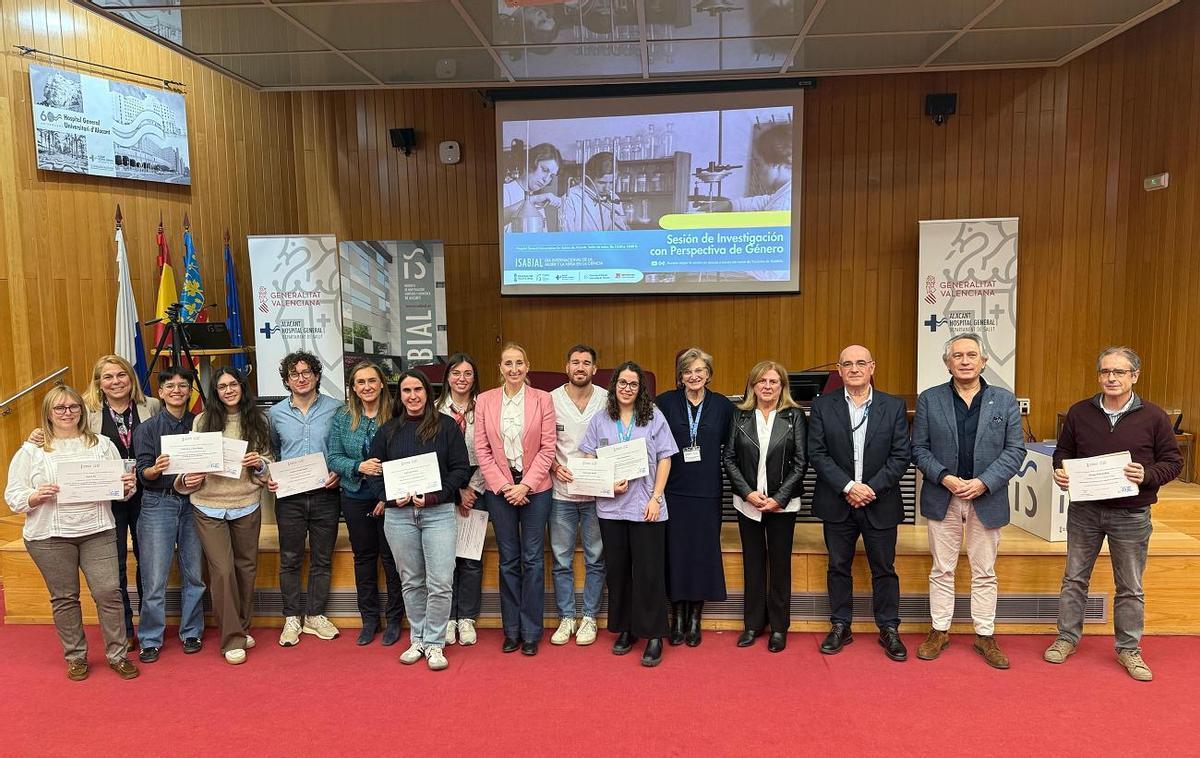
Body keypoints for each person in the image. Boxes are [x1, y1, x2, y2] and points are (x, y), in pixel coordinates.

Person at [1046, 347, 1182, 681]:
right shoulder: (1079, 412)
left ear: (1134, 376)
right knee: (1075, 578)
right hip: (1084, 511)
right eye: (1106, 371)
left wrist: (1146, 475)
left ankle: (1128, 649)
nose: (1111, 378)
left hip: (1131, 514)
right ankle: (1066, 638)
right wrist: (1060, 470)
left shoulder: (1154, 416)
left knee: (1130, 586)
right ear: (1098, 375)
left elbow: (1173, 462)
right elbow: (1063, 453)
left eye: (1119, 372)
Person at [24, 354, 160, 648]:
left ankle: (150, 630)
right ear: (98, 383)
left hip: (147, 493)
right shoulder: (85, 409)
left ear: (130, 377)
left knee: (148, 563)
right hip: (103, 501)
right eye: (107, 377)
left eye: (121, 375)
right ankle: (124, 631)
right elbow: (61, 430)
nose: (116, 381)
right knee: (115, 571)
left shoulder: (151, 406)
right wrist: (37, 434)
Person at [5, 386, 139, 681]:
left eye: (73, 407)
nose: (67, 413)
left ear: (82, 410)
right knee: (65, 597)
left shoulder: (102, 445)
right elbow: (13, 496)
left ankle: (117, 655)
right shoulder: (32, 450)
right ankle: (76, 656)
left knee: (109, 592)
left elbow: (119, 490)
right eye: (60, 408)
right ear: (48, 413)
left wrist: (126, 488)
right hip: (49, 535)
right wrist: (35, 496)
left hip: (97, 529)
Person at [911, 334, 1024, 669]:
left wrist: (983, 482)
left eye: (971, 355)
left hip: (985, 498)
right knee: (942, 569)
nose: (964, 361)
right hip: (942, 495)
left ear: (983, 361)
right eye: (957, 355)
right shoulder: (930, 400)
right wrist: (944, 477)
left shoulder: (1004, 401)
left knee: (985, 571)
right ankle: (939, 630)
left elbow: (1015, 450)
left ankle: (985, 634)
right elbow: (918, 449)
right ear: (947, 362)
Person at [808, 345, 911, 661]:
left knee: (884, 569)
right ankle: (841, 624)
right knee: (838, 567)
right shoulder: (823, 406)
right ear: (838, 370)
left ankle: (889, 628)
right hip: (838, 500)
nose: (854, 368)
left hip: (880, 501)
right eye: (847, 364)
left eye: (860, 363)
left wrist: (870, 488)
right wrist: (849, 486)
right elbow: (817, 453)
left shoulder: (893, 406)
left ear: (872, 367)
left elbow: (901, 455)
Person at [366, 371, 471, 671]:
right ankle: (419, 638)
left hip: (437, 513)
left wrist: (436, 497)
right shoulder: (387, 432)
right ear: (399, 396)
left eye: (418, 390)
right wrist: (389, 497)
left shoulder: (447, 427)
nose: (412, 396)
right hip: (399, 517)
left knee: (440, 581)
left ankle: (436, 643)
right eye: (406, 391)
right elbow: (374, 474)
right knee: (411, 582)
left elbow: (460, 470)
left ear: (428, 393)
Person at [579, 361, 677, 667]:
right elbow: (590, 458)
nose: (627, 389)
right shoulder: (600, 420)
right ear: (613, 386)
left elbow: (665, 459)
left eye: (633, 384)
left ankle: (654, 636)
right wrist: (607, 483)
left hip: (645, 507)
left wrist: (656, 498)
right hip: (611, 509)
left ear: (641, 389)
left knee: (649, 573)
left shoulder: (654, 417)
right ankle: (626, 630)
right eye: (622, 383)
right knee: (619, 573)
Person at [174, 368, 271, 665]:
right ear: (215, 392)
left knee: (246, 568)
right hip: (209, 505)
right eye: (221, 386)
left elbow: (269, 464)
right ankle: (231, 639)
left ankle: (241, 626)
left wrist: (261, 464)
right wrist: (186, 480)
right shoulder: (203, 421)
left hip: (246, 503)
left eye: (233, 384)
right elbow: (187, 464)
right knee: (223, 570)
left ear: (242, 387)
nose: (228, 390)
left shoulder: (259, 420)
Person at [474, 342, 557, 655]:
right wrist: (505, 486)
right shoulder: (485, 401)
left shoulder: (543, 400)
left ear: (527, 366)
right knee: (508, 559)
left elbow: (548, 448)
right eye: (508, 363)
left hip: (536, 490)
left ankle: (532, 631)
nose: (514, 369)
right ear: (500, 368)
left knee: (533, 560)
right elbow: (482, 449)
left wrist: (526, 486)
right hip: (500, 491)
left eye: (519, 363)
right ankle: (511, 630)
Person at [722, 360, 808, 653]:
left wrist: (779, 497)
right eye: (761, 381)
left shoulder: (794, 416)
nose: (767, 387)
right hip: (747, 503)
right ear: (753, 385)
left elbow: (801, 462)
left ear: (782, 386)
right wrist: (747, 493)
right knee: (754, 563)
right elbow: (729, 459)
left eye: (773, 381)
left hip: (783, 504)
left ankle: (779, 627)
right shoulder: (740, 416)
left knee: (780, 565)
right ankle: (753, 624)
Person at [656, 347, 733, 647]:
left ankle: (695, 618)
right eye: (688, 371)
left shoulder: (723, 406)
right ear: (681, 376)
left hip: (707, 491)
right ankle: (677, 617)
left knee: (702, 554)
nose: (694, 376)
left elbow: (732, 448)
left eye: (699, 370)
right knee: (675, 554)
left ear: (709, 374)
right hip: (673, 489)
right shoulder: (664, 402)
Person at [267, 350, 345, 646]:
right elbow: (273, 451)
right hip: (290, 498)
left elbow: (341, 448)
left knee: (322, 559)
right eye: (294, 374)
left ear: (316, 376)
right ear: (287, 380)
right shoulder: (275, 413)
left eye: (306, 372)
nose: (301, 378)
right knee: (290, 558)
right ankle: (291, 618)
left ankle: (315, 615)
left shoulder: (337, 408)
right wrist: (271, 476)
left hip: (326, 494)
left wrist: (338, 470)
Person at [326, 361, 405, 646]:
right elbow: (333, 457)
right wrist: (359, 466)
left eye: (372, 381)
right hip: (355, 497)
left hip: (392, 498)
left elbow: (406, 457)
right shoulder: (343, 416)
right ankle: (369, 619)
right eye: (361, 382)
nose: (367, 387)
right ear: (353, 388)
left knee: (392, 559)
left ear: (382, 383)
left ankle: (395, 619)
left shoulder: (397, 412)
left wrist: (386, 496)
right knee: (364, 559)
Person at [132, 366, 206, 663]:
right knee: (154, 577)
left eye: (183, 386)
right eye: (170, 386)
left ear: (190, 391)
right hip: (157, 504)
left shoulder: (200, 424)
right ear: (160, 393)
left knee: (195, 574)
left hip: (194, 503)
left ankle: (191, 631)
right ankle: (150, 638)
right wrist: (155, 469)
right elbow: (142, 473)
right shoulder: (147, 429)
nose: (177, 390)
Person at [548, 344, 608, 647]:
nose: (580, 367)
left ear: (595, 369)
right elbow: (541, 444)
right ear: (567, 367)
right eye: (575, 362)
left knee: (597, 559)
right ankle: (566, 617)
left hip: (598, 496)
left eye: (586, 363)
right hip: (562, 494)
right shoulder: (550, 400)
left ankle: (589, 618)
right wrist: (555, 467)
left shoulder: (607, 400)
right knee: (561, 559)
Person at [435, 353, 487, 647]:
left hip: (478, 485)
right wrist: (455, 490)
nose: (462, 379)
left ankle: (466, 617)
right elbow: (430, 456)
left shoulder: (486, 408)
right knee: (445, 559)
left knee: (470, 557)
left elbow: (493, 452)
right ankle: (447, 618)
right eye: (456, 373)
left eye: (468, 373)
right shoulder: (433, 410)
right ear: (447, 377)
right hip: (443, 488)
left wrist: (473, 490)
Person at [559, 151, 629, 232]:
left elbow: (619, 233)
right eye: (602, 183)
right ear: (589, 178)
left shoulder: (614, 198)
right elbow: (566, 236)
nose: (607, 188)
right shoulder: (571, 197)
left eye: (612, 182)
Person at [503, 141, 563, 232]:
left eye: (551, 176)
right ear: (530, 164)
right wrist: (533, 200)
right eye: (544, 170)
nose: (546, 179)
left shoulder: (539, 202)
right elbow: (497, 220)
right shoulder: (505, 191)